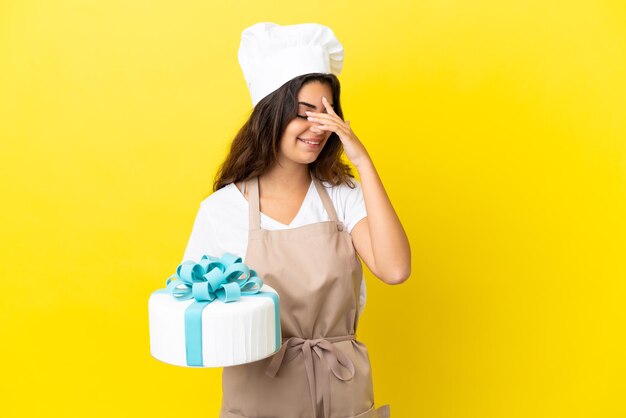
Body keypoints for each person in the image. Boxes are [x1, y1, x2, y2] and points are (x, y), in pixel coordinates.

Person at [182, 22, 411, 418]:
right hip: (260, 393)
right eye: (304, 114)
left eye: (328, 114)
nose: (318, 128)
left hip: (343, 390)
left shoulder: (343, 196)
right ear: (271, 115)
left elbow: (394, 269)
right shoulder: (223, 210)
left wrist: (362, 161)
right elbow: (199, 318)